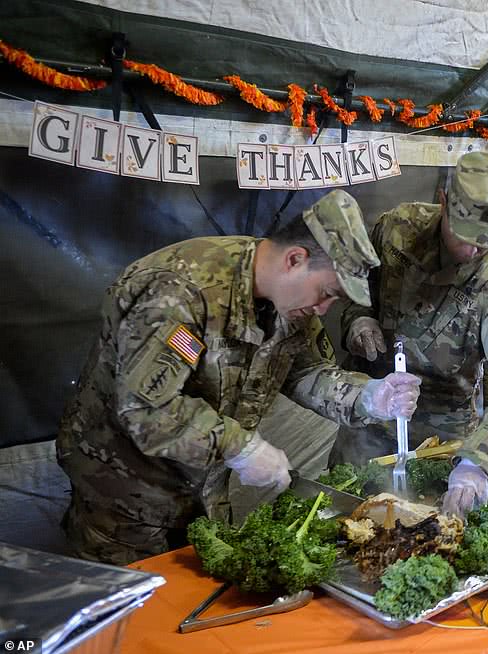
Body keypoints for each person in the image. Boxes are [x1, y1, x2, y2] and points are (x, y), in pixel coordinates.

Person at [56, 190, 421, 565]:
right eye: (327, 293)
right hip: (123, 499)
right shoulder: (181, 289)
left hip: (204, 496)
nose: (324, 309)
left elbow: (307, 371)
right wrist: (239, 447)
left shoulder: (290, 305)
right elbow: (147, 410)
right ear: (295, 259)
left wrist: (367, 396)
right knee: (132, 618)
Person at [336, 151, 488, 517]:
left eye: (486, 243)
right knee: (345, 519)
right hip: (366, 417)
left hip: (441, 440)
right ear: (443, 200)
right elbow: (357, 289)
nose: (472, 251)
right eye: (465, 237)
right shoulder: (397, 229)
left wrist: (479, 464)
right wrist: (358, 320)